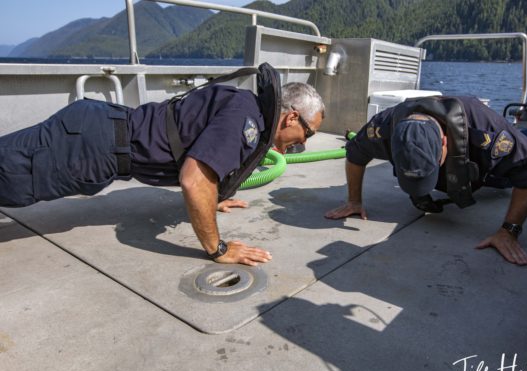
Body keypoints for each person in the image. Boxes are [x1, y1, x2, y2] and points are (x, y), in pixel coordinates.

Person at [0, 67, 325, 267]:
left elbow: (197, 155)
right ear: (291, 117)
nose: (304, 144)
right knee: (10, 177)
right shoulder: (248, 121)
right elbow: (193, 180)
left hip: (99, 131)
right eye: (307, 134)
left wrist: (213, 194)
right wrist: (219, 249)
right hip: (87, 146)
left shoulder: (245, 106)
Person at [325, 95, 527, 266]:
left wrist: (509, 231)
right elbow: (355, 153)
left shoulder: (485, 132)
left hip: (484, 173)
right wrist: (354, 200)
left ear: (444, 142)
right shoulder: (383, 127)